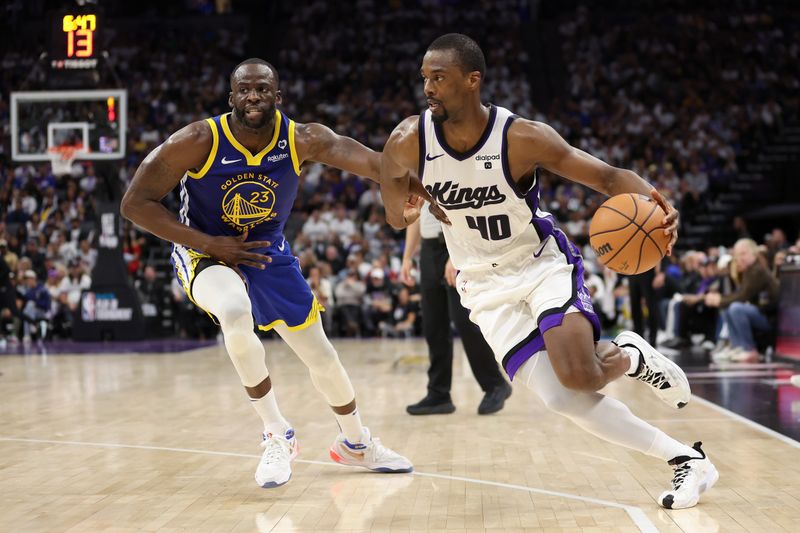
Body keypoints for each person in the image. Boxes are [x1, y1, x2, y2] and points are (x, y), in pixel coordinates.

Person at [379, 34, 717, 509]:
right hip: (482, 284)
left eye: (439, 77)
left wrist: (659, 202)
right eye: (424, 78)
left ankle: (630, 358)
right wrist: (404, 209)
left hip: (539, 266)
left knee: (579, 376)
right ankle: (686, 457)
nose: (428, 88)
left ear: (472, 80)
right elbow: (391, 200)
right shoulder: (408, 140)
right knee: (563, 400)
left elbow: (605, 177)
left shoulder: (521, 138)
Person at [121, 58, 419, 489]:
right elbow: (135, 203)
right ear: (232, 98)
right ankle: (277, 432)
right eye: (245, 90)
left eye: (262, 89)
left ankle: (355, 443)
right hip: (206, 253)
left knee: (321, 355)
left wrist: (416, 187)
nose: (253, 97)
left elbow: (376, 165)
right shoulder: (198, 139)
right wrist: (209, 244)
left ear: (278, 97)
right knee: (235, 313)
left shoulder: (303, 139)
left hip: (266, 253)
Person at [401, 205, 511, 415]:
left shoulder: (448, 172)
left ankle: (495, 384)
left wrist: (456, 255)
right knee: (433, 325)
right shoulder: (414, 176)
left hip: (456, 247)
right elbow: (414, 216)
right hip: (428, 249)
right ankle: (439, 394)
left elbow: (465, 210)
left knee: (464, 321)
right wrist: (407, 257)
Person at [704, 238, 779, 362]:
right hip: (760, 313)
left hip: (769, 317)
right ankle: (737, 346)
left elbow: (743, 296)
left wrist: (720, 300)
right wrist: (721, 300)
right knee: (728, 307)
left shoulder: (757, 270)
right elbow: (739, 294)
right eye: (737, 255)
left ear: (754, 254)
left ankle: (749, 349)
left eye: (743, 254)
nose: (739, 258)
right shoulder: (749, 270)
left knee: (736, 308)